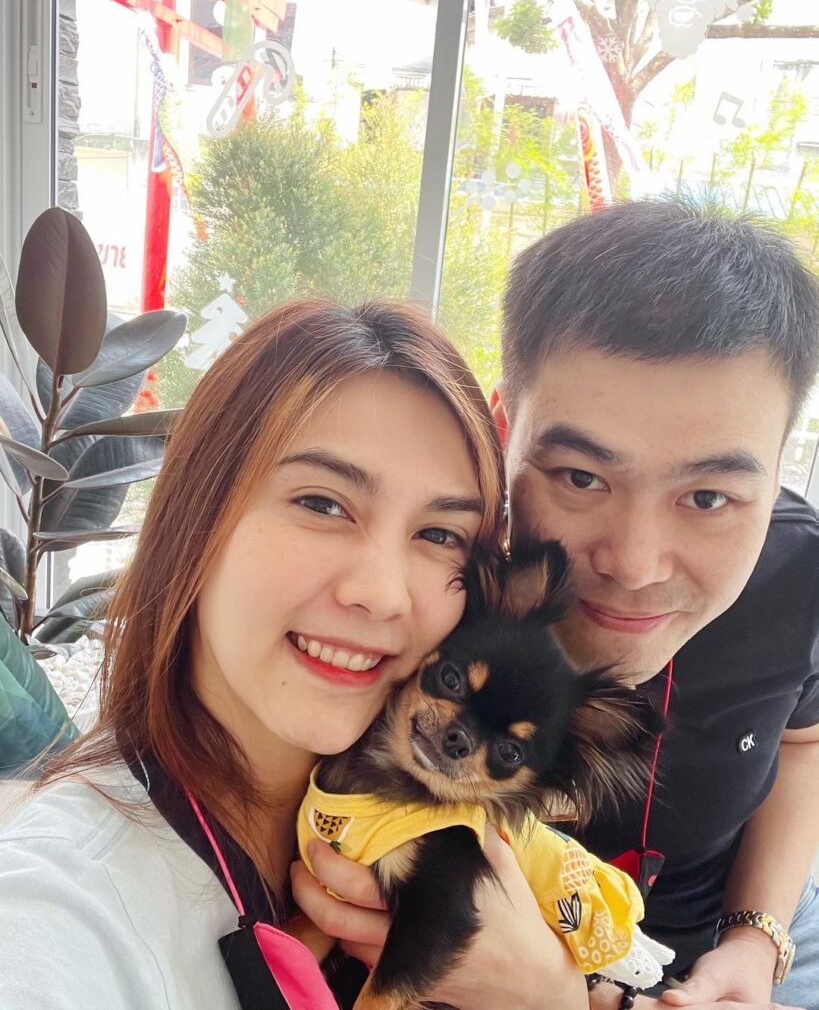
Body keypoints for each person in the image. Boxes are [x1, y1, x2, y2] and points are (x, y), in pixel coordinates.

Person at [291, 200, 819, 1010]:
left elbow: (802, 742)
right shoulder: (431, 587)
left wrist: (756, 935)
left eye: (708, 495)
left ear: (779, 469)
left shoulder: (798, 573)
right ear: (504, 429)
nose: (635, 565)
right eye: (580, 477)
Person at [0, 300, 587, 1010]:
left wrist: (554, 992)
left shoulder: (431, 837)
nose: (381, 593)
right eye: (322, 504)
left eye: (439, 535)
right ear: (196, 517)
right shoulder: (61, 915)